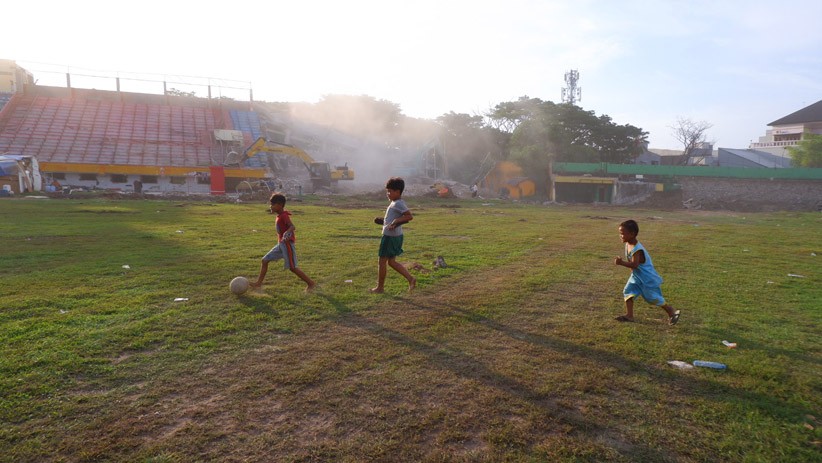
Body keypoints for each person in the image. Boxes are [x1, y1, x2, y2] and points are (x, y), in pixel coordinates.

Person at [613, 219, 680, 325]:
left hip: (646, 278)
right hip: (637, 276)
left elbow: (635, 264)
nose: (620, 236)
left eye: (622, 234)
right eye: (620, 234)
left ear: (632, 234)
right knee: (628, 291)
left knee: (651, 298)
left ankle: (671, 311)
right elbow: (634, 266)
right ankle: (629, 315)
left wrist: (621, 263)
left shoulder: (637, 249)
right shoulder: (628, 244)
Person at [251, 193, 316, 292]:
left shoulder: (284, 216)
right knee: (264, 260)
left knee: (293, 268)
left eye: (273, 204)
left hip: (287, 245)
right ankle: (258, 283)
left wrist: (287, 232)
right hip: (281, 245)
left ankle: (311, 284)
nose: (270, 206)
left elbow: (292, 226)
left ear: (280, 205)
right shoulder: (279, 216)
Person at [370, 177, 416, 293]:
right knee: (391, 262)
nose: (388, 194)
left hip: (390, 237)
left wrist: (394, 222)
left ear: (398, 191)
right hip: (396, 236)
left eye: (390, 191)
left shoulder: (398, 204)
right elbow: (400, 218)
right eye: (387, 191)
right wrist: (384, 221)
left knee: (382, 262)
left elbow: (409, 216)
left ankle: (380, 288)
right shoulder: (395, 203)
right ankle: (411, 279)